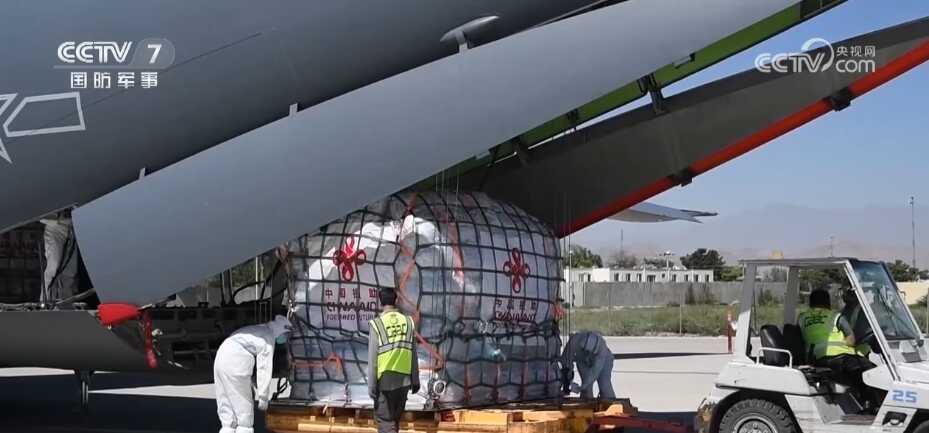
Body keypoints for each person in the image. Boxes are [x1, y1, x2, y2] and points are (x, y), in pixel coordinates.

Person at [799, 289, 876, 410]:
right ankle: (871, 406)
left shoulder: (802, 318)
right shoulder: (835, 316)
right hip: (839, 357)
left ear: (811, 303)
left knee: (855, 372)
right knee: (872, 371)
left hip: (814, 358)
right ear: (828, 302)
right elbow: (851, 340)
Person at [214, 315, 292, 433]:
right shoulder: (268, 337)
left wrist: (253, 383)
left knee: (226, 406)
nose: (285, 338)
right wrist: (263, 398)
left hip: (221, 357)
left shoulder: (258, 329)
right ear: (280, 330)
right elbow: (264, 368)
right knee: (243, 409)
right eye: (286, 335)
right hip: (236, 360)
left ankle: (227, 428)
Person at [368, 288, 419, 433]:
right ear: (396, 301)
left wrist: (371, 386)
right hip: (404, 382)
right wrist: (415, 380)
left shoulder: (377, 324)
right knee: (394, 420)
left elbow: (373, 359)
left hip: (385, 382)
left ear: (380, 302)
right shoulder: (408, 322)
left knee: (385, 421)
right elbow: (413, 353)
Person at [560, 330, 615, 400]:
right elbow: (566, 359)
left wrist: (581, 387)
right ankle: (586, 403)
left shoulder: (602, 352)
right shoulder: (574, 340)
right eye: (586, 351)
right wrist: (568, 377)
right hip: (582, 360)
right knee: (586, 390)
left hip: (605, 361)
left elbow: (594, 373)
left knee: (604, 385)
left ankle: (611, 403)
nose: (588, 353)